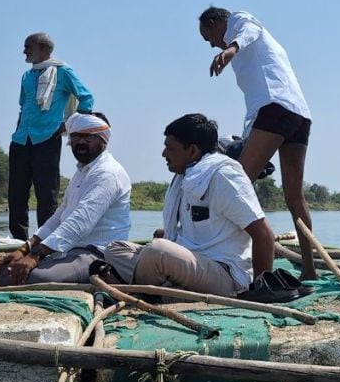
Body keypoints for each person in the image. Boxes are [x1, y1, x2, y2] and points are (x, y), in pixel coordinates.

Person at [198, 7, 317, 279]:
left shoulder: (240, 21)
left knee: (238, 182)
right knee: (294, 196)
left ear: (217, 23)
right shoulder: (253, 48)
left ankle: (243, 262)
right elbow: (256, 103)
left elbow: (248, 30)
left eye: (209, 38)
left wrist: (231, 49)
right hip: (298, 113)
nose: (213, 45)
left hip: (276, 109)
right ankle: (309, 269)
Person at [104, 114, 275, 297]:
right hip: (194, 263)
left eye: (169, 148)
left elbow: (264, 235)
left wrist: (259, 291)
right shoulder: (186, 178)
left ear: (192, 151)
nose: (163, 154)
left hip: (225, 275)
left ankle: (149, 292)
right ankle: (172, 291)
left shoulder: (223, 176)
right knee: (115, 249)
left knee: (157, 251)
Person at [0, 112, 131, 286]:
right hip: (70, 249)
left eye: (88, 137)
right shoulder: (82, 172)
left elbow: (79, 222)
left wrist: (36, 255)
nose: (80, 142)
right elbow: (60, 216)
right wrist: (25, 249)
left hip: (97, 253)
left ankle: (105, 275)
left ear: (103, 140)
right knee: (6, 271)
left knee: (33, 278)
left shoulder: (108, 173)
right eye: (75, 137)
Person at [8, 32, 95, 240]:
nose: (24, 51)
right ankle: (18, 241)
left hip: (47, 138)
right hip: (21, 139)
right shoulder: (27, 76)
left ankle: (45, 240)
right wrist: (20, 126)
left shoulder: (63, 72)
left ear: (42, 48)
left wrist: (68, 125)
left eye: (28, 46)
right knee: (16, 193)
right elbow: (24, 106)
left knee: (46, 193)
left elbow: (87, 98)